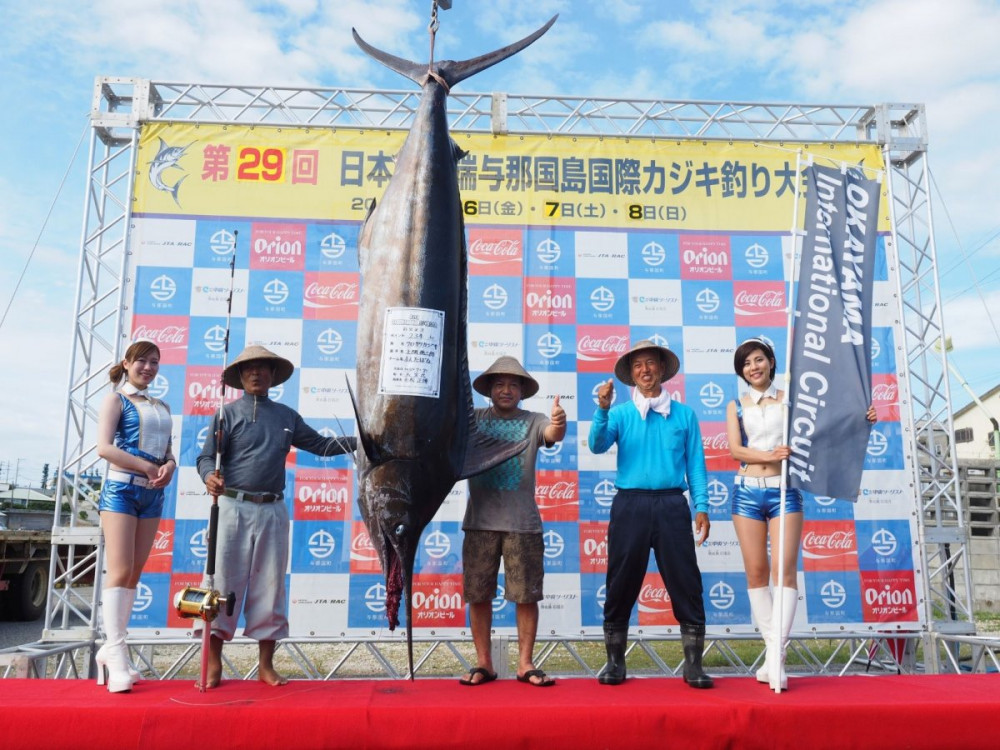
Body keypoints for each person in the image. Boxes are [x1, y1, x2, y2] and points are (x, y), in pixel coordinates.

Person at [196, 345, 356, 688]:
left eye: (263, 369)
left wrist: (363, 440)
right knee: (220, 584)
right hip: (231, 507)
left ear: (273, 376)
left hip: (273, 509)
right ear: (239, 376)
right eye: (249, 369)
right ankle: (212, 664)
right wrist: (209, 476)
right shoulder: (225, 415)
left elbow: (321, 445)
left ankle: (265, 666)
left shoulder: (287, 416)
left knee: (271, 586)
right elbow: (206, 458)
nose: (256, 374)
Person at [726, 336, 877, 690]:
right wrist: (770, 455)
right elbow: (736, 450)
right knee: (756, 574)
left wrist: (862, 420)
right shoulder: (736, 405)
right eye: (747, 363)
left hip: (784, 491)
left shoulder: (792, 402)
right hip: (746, 491)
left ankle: (775, 658)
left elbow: (828, 430)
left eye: (759, 359)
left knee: (784, 572)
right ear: (742, 372)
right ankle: (774, 655)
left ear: (771, 363)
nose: (754, 367)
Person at [587, 340, 713, 688]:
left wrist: (701, 506)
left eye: (651, 364)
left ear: (662, 369)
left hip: (673, 505)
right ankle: (615, 662)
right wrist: (602, 409)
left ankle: (693, 665)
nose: (645, 370)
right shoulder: (620, 413)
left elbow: (696, 466)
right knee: (621, 582)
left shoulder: (684, 414)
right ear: (631, 374)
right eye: (638, 365)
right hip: (630, 505)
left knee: (686, 582)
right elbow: (597, 444)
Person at [459, 356, 566, 687]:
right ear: (489, 389)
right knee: (478, 594)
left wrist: (559, 422)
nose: (506, 390)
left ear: (522, 390)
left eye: (513, 384)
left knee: (526, 595)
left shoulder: (535, 420)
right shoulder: (471, 420)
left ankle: (525, 663)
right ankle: (484, 663)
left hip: (523, 524)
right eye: (500, 384)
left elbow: (553, 434)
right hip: (479, 522)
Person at [95, 340, 176, 693]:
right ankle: (115, 653)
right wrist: (145, 464)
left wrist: (170, 465)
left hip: (153, 494)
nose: (148, 367)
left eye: (154, 362)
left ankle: (111, 652)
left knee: (135, 572)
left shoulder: (161, 405)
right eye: (142, 360)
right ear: (127, 364)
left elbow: (168, 450)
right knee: (122, 569)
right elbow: (105, 448)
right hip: (121, 489)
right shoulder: (116, 399)